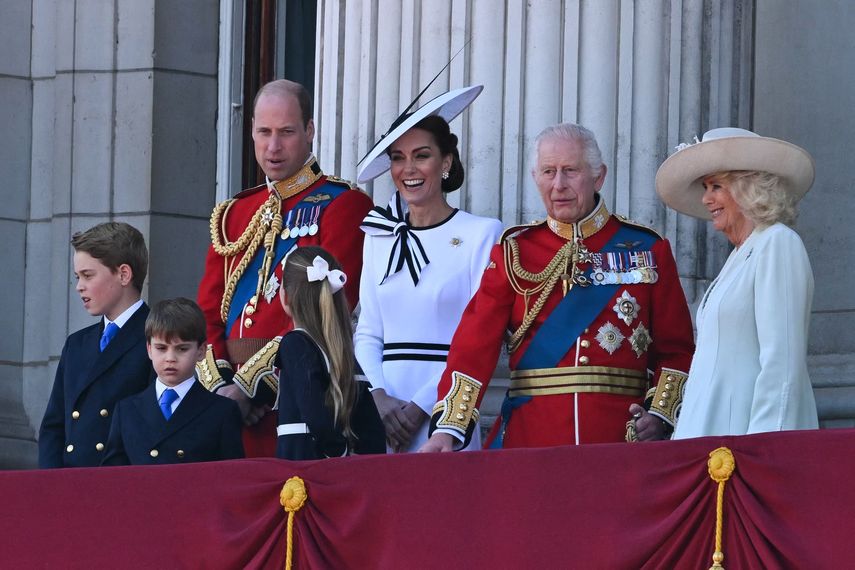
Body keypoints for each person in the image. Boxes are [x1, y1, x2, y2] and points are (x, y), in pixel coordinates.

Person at [420, 123, 695, 452]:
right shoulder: (515, 252)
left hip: (620, 442)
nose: (559, 185)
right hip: (533, 440)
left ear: (599, 176)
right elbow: (473, 346)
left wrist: (660, 415)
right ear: (536, 178)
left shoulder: (647, 249)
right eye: (548, 172)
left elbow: (677, 350)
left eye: (570, 171)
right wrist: (447, 429)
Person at [196, 79, 374, 457]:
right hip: (228, 407)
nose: (273, 147)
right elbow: (208, 313)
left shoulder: (343, 206)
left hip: (295, 394)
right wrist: (224, 385)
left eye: (287, 132)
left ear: (310, 131)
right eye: (264, 132)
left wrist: (252, 387)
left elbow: (325, 309)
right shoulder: (235, 213)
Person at [354, 86, 503, 452]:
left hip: (447, 411)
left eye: (422, 156)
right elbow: (368, 331)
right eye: (398, 157)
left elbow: (479, 336)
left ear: (446, 162)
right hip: (384, 417)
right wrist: (379, 396)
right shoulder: (377, 235)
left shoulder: (481, 234)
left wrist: (421, 407)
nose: (409, 169)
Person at [655, 127, 819, 438]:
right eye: (706, 187)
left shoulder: (778, 243)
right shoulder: (740, 256)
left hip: (745, 445)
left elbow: (782, 366)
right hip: (711, 441)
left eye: (716, 186)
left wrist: (765, 452)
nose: (706, 199)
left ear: (748, 189)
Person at [39, 222, 155, 468]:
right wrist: (49, 485)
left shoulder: (157, 338)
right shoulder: (77, 344)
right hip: (70, 485)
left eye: (88, 275)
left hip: (120, 484)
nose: (80, 286)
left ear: (124, 274)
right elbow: (54, 426)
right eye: (77, 277)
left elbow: (152, 429)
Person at [102, 298, 245, 465]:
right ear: (149, 349)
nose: (170, 358)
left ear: (201, 351)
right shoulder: (125, 411)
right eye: (161, 348)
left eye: (182, 349)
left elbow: (231, 478)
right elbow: (112, 476)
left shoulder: (222, 411)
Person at [275, 247, 385, 459]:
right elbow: (374, 433)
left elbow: (315, 415)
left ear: (285, 297)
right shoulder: (343, 349)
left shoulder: (295, 344)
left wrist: (339, 453)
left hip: (308, 476)